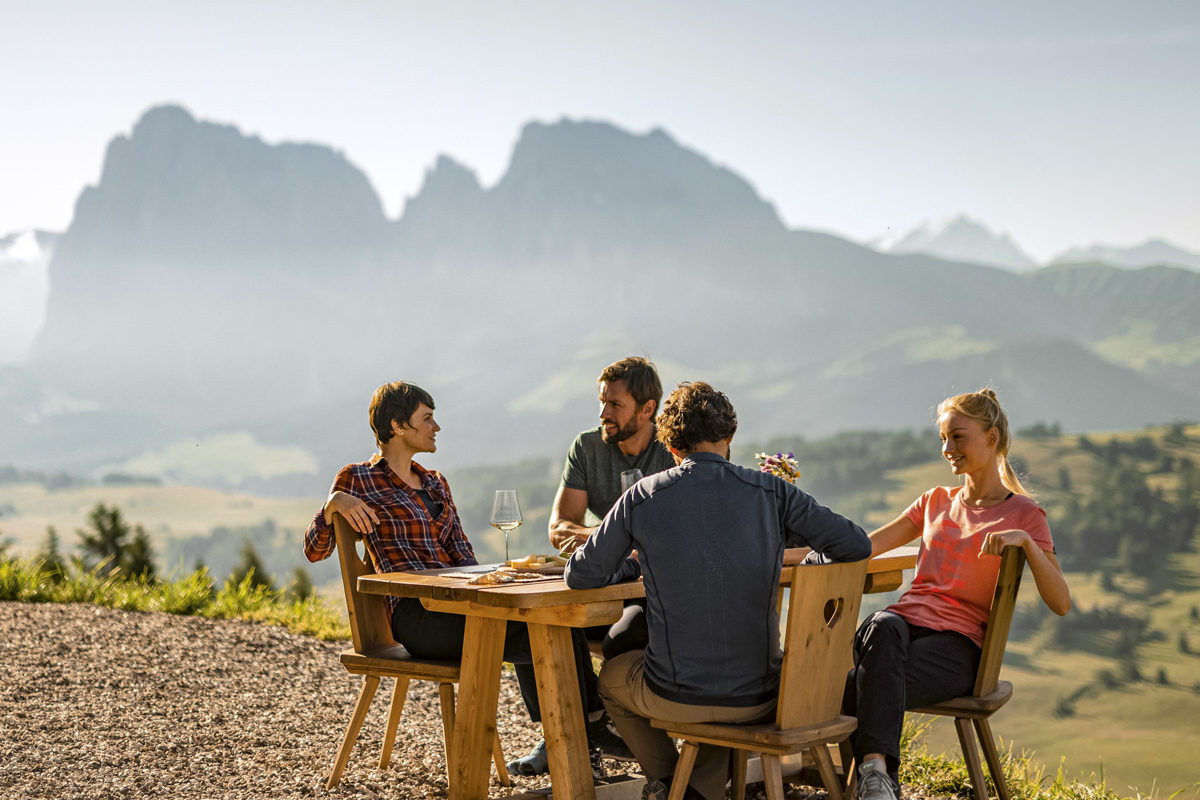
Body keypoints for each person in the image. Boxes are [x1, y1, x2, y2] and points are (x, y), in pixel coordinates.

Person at [302, 381, 626, 780]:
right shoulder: (358, 480)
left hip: (457, 608)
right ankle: (592, 730)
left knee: (554, 620)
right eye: (427, 419)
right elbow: (315, 550)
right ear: (398, 425)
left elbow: (462, 555)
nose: (436, 427)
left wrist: (504, 579)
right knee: (541, 626)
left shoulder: (435, 482)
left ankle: (583, 742)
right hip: (415, 617)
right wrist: (331, 503)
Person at [563, 381, 873, 800]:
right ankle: (694, 787)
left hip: (674, 694)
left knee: (613, 679)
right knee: (726, 691)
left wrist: (633, 564)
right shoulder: (772, 491)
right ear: (729, 437)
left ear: (671, 446)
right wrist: (804, 562)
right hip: (762, 696)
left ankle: (674, 784)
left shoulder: (641, 496)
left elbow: (580, 576)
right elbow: (855, 544)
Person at [843, 389, 1072, 800]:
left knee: (846, 690)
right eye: (943, 438)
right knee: (881, 623)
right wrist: (796, 553)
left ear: (992, 437)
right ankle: (877, 776)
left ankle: (868, 774)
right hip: (897, 633)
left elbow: (1061, 602)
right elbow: (864, 546)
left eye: (958, 437)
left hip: (959, 647)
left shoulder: (1024, 514)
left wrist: (1027, 543)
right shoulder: (934, 500)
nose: (948, 448)